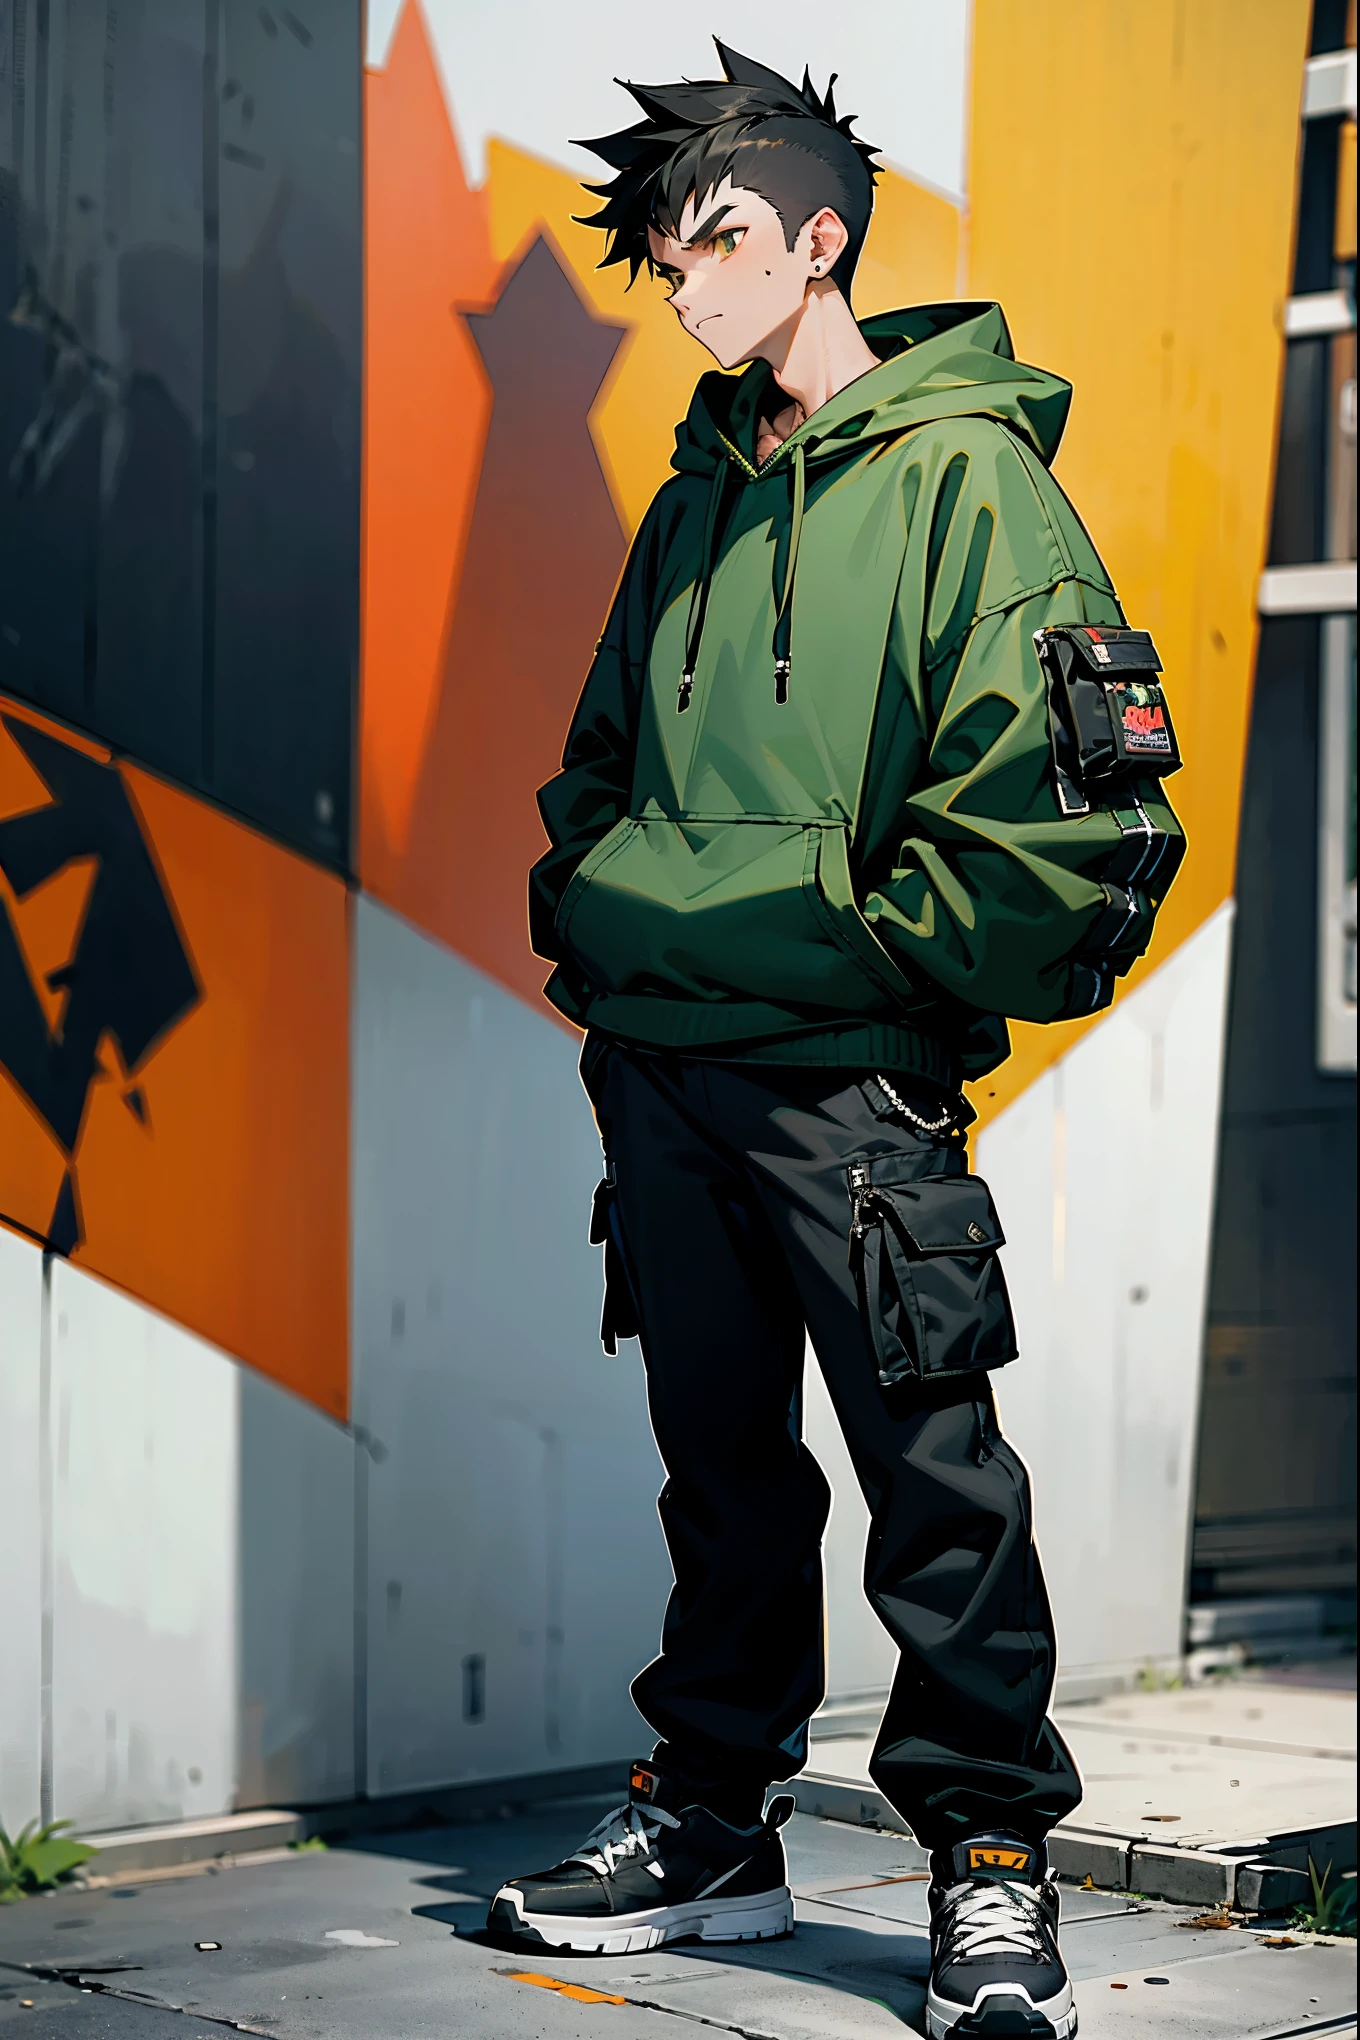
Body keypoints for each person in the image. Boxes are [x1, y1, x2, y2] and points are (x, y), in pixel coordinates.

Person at [489, 42, 1183, 2040]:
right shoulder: (691, 497)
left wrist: (844, 952)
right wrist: (609, 943)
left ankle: (986, 1861)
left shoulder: (974, 482)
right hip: (663, 1071)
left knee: (930, 1475)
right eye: (656, 254)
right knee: (719, 1474)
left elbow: (1069, 822)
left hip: (845, 1087)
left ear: (815, 238)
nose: (682, 284)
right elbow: (592, 771)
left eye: (711, 239)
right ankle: (715, 1824)